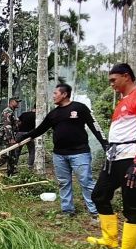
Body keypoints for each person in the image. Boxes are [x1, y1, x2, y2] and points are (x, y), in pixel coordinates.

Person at [88, 63, 136, 249]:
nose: (111, 85)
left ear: (126, 76)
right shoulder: (123, 100)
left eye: (113, 80)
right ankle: (110, 240)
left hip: (131, 157)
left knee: (131, 203)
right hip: (114, 157)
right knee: (99, 194)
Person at [17, 84, 108, 217]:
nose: (53, 96)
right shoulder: (54, 114)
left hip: (80, 153)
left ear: (64, 94)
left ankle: (95, 211)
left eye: (55, 93)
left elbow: (94, 126)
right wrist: (23, 136)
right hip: (59, 155)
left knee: (86, 182)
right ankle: (67, 210)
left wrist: (105, 144)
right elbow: (40, 130)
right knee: (64, 183)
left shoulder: (79, 108)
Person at [0, 97, 21, 175]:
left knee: (12, 155)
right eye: (16, 101)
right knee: (5, 156)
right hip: (6, 137)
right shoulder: (7, 111)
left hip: (9, 136)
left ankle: (11, 172)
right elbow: (7, 126)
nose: (18, 103)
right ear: (11, 102)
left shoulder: (11, 111)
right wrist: (10, 138)